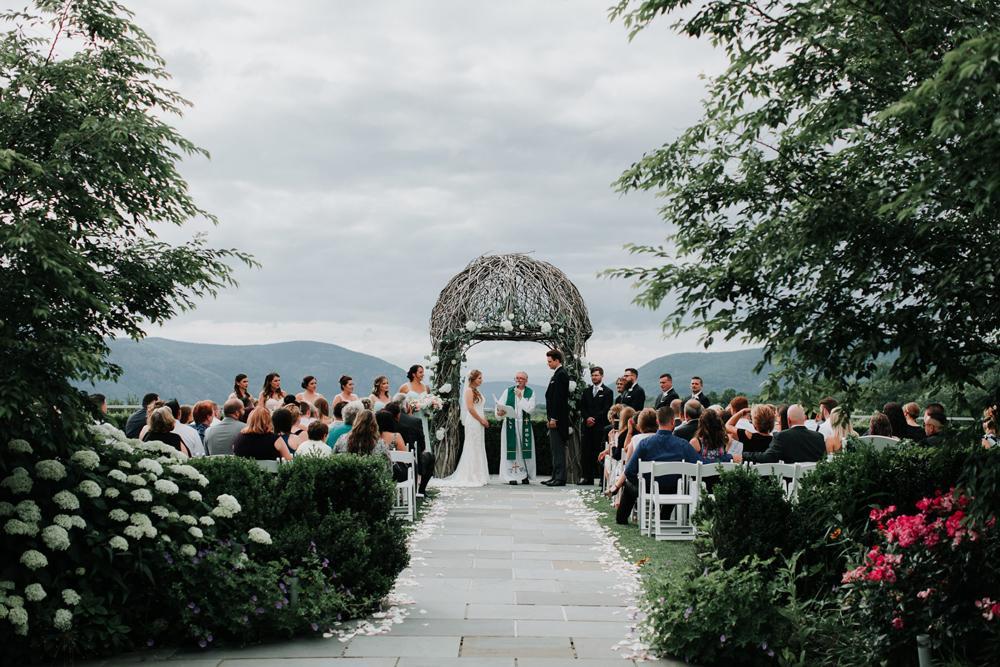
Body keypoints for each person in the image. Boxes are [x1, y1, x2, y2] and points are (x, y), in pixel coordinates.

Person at [605, 406, 701, 525]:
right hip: (674, 489)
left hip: (648, 488)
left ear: (657, 421)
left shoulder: (645, 444)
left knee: (629, 485)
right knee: (673, 485)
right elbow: (698, 466)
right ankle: (664, 517)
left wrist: (640, 482)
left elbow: (629, 471)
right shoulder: (683, 445)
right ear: (673, 422)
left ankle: (621, 518)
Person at [432, 370, 490, 487]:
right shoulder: (469, 391)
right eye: (479, 378)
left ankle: (479, 474)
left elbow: (479, 407)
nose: (481, 380)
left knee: (478, 446)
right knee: (472, 446)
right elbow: (470, 408)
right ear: (473, 379)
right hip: (473, 421)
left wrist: (484, 419)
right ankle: (471, 474)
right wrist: (481, 420)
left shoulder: (476, 391)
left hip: (478, 421)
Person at [733, 404, 825, 464]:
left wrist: (744, 455)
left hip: (790, 482)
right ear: (804, 418)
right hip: (813, 482)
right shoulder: (819, 437)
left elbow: (768, 457)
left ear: (788, 420)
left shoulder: (782, 436)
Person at [386, 398, 436, 494]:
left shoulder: (386, 423)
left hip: (390, 462)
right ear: (406, 406)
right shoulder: (415, 421)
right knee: (430, 456)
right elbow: (422, 445)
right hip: (412, 462)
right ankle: (421, 490)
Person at [496, 371, 537, 485]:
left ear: (526, 380)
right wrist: (499, 412)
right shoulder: (508, 391)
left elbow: (530, 409)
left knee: (524, 451)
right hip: (510, 424)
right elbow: (499, 405)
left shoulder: (530, 392)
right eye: (517, 378)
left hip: (524, 425)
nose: (518, 380)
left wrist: (520, 397)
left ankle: (524, 475)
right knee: (510, 450)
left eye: (521, 378)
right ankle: (510, 476)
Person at [579, 366, 614, 485]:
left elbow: (606, 409)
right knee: (586, 452)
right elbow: (582, 407)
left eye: (596, 375)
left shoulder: (608, 392)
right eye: (592, 375)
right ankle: (587, 477)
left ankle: (601, 478)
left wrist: (594, 418)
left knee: (599, 452)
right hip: (587, 427)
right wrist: (587, 418)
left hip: (600, 427)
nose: (594, 377)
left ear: (601, 376)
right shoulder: (586, 391)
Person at [543, 349, 570, 486]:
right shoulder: (557, 374)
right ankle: (555, 476)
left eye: (549, 361)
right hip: (554, 418)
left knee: (558, 448)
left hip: (558, 420)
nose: (548, 364)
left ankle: (560, 478)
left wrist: (554, 418)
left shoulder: (561, 374)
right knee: (555, 449)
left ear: (557, 360)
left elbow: (558, 398)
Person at [399, 364, 433, 451]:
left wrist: (431, 406)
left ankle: (425, 455)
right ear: (414, 374)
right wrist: (409, 408)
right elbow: (399, 403)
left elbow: (429, 401)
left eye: (423, 372)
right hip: (411, 417)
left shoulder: (426, 387)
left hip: (423, 417)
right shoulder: (405, 387)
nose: (423, 374)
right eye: (420, 372)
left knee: (424, 437)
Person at [376, 410, 410, 482]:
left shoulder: (372, 437)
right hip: (395, 474)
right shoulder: (396, 436)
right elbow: (405, 458)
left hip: (377, 473)